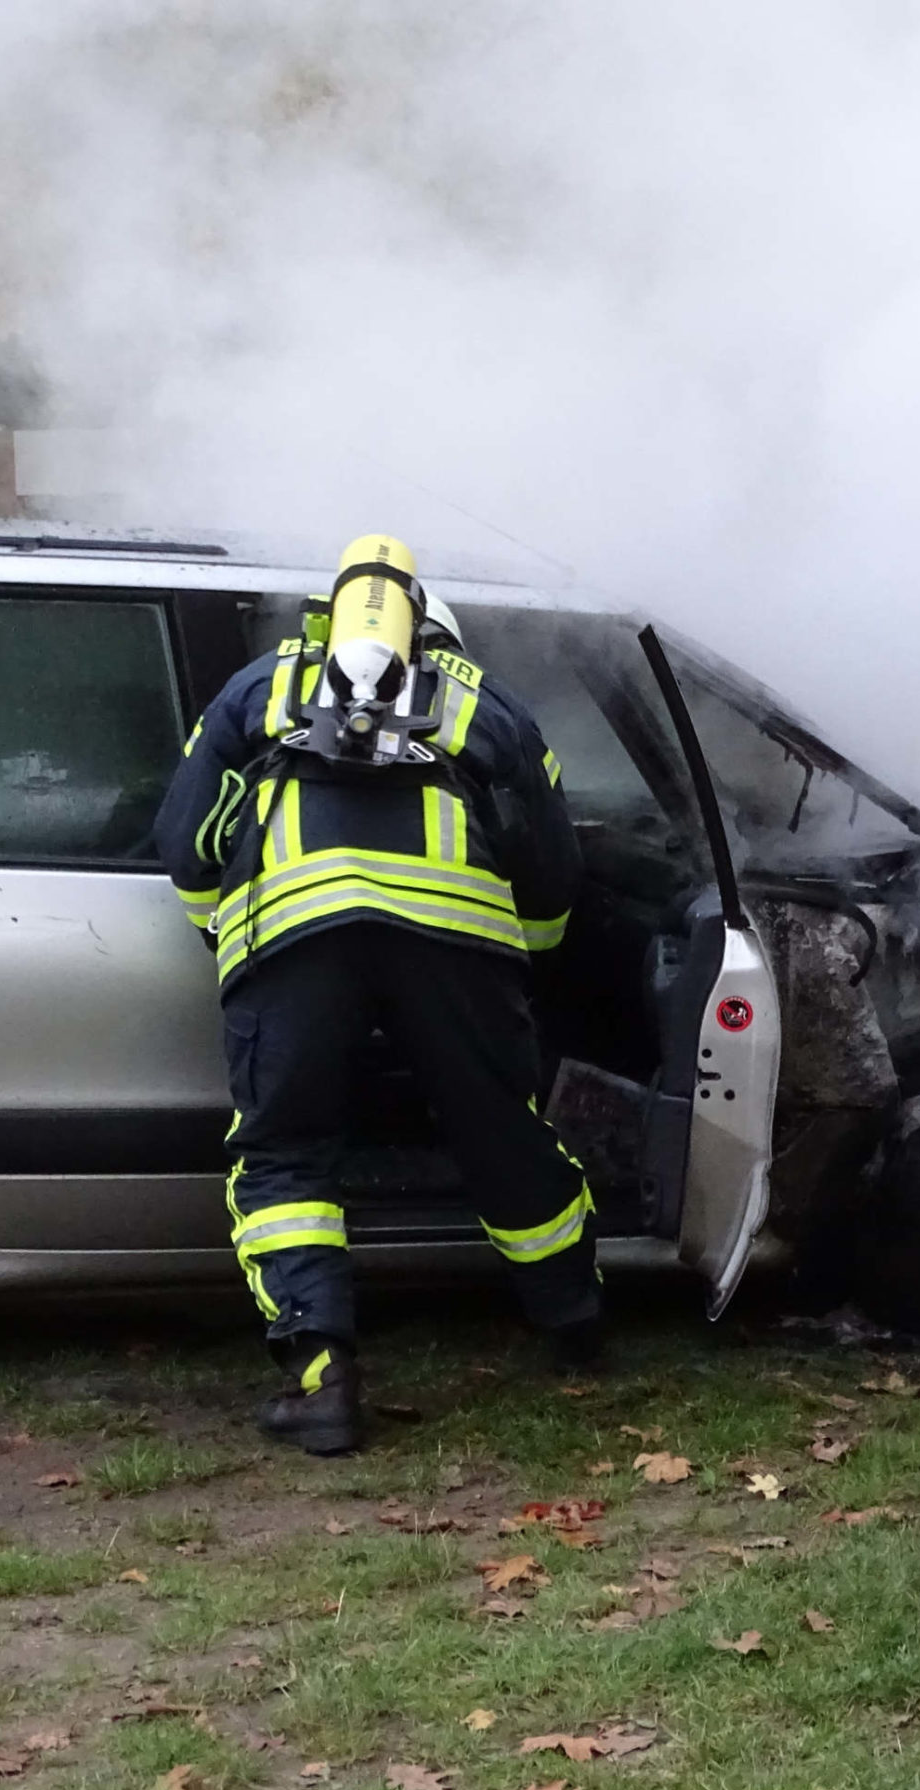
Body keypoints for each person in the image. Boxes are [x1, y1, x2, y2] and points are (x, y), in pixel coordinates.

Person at [154, 535, 603, 1457]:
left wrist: (229, 932)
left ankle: (322, 1380)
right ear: (437, 637)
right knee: (500, 1128)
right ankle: (575, 1324)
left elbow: (184, 840)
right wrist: (535, 957)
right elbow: (552, 864)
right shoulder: (485, 703)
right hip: (455, 945)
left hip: (295, 942)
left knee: (286, 1156)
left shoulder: (260, 689)